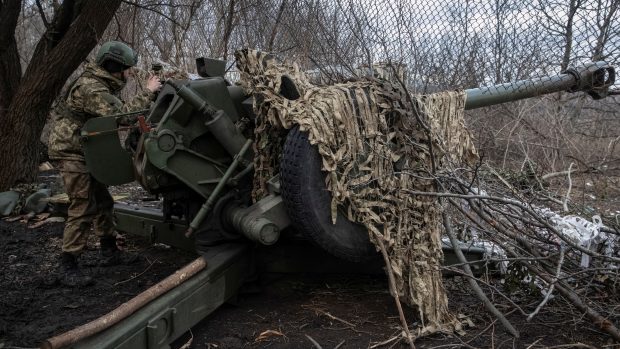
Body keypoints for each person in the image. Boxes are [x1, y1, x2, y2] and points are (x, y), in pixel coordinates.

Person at [48, 41, 162, 286]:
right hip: (72, 152)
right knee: (83, 206)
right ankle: (67, 265)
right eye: (127, 68)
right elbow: (122, 116)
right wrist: (148, 91)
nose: (130, 73)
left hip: (86, 150)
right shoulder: (91, 88)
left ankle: (109, 251)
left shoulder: (99, 83)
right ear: (114, 66)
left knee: (104, 202)